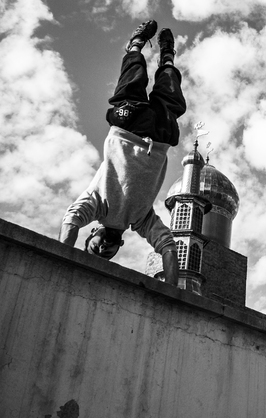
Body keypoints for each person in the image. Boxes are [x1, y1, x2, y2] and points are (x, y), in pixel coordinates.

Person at [59, 20, 186, 285]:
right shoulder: (140, 220)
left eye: (95, 247)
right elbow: (168, 247)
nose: (103, 249)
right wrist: (175, 295)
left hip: (128, 129)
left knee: (133, 79)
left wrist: (63, 260)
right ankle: (167, 56)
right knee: (170, 92)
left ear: (92, 232)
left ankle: (136, 44)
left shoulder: (96, 205)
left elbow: (71, 220)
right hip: (160, 139)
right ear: (121, 246)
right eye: (108, 253)